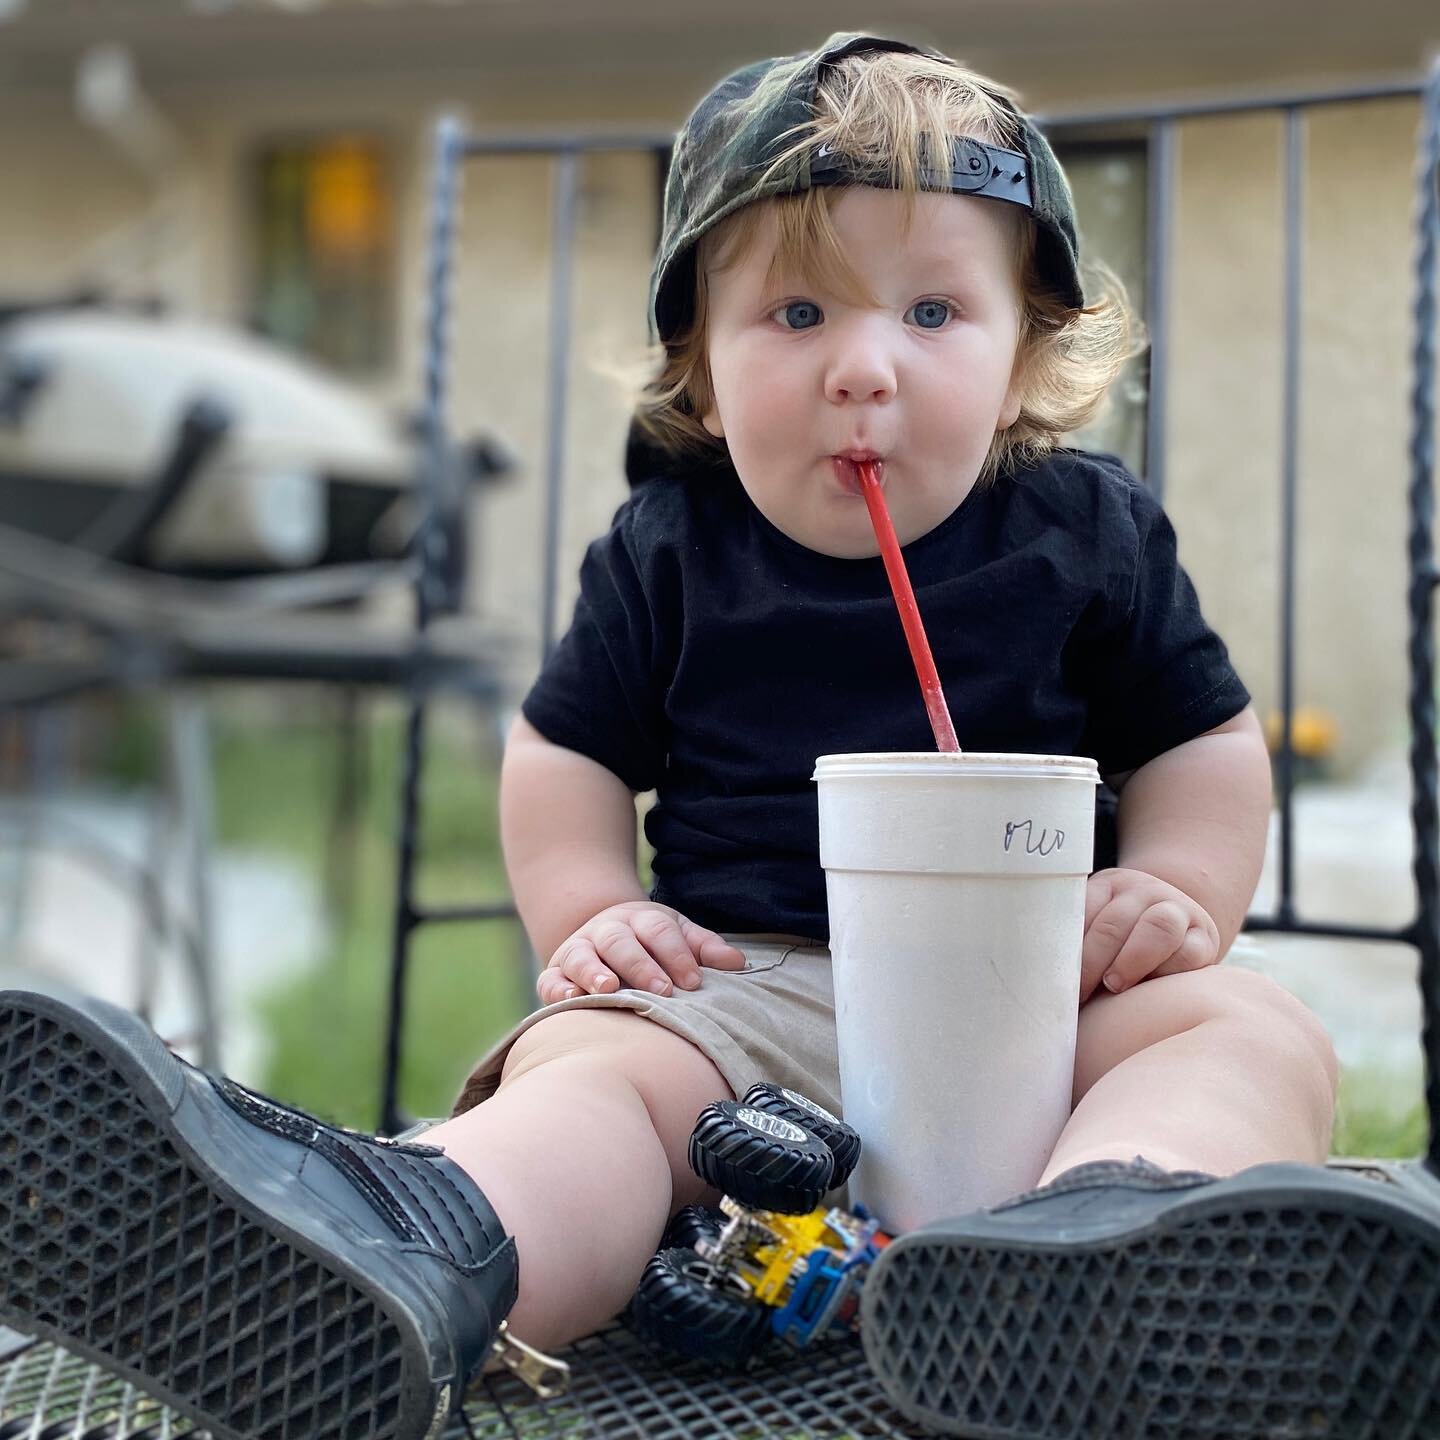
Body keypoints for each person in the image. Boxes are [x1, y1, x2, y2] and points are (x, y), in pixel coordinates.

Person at [3, 32, 1436, 1440]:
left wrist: (1176, 889)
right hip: (731, 1009)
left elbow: (1204, 739)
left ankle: (1118, 1243)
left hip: (1039, 1002)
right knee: (594, 1095)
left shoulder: (1089, 534)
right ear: (697, 367)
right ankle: (408, 1254)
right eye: (797, 316)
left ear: (1025, 360)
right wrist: (596, 912)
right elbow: (562, 753)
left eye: (932, 314)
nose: (863, 367)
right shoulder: (669, 548)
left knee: (1248, 1029)